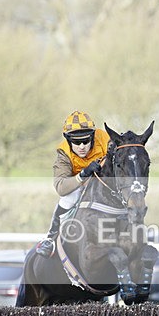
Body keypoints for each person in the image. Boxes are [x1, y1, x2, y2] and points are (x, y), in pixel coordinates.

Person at [35, 110, 110, 257]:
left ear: (93, 136)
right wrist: (83, 174)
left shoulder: (104, 138)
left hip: (105, 185)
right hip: (80, 187)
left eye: (86, 141)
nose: (81, 146)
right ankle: (50, 238)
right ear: (68, 140)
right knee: (68, 198)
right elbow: (61, 188)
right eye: (76, 142)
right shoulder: (63, 153)